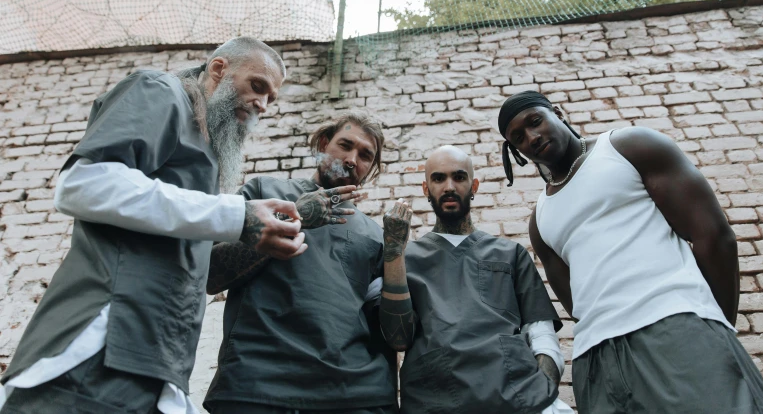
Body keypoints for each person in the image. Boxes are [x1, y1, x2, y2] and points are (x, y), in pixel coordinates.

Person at [0, 37, 308, 414]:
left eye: (271, 99)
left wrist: (252, 236)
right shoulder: (160, 92)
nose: (262, 103)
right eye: (257, 86)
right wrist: (236, 215)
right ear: (219, 69)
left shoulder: (207, 152)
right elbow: (83, 185)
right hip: (97, 351)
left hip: (156, 368)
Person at [498, 90, 763, 414]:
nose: (532, 137)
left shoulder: (627, 147)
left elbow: (713, 237)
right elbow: (576, 303)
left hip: (675, 326)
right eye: (518, 137)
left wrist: (715, 329)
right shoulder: (540, 220)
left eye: (535, 122)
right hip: (596, 360)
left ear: (557, 112)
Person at [203, 111, 402, 414]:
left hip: (353, 396)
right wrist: (292, 217)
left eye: (365, 155)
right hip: (257, 388)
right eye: (345, 145)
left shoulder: (375, 237)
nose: (352, 159)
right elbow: (209, 273)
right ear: (323, 143)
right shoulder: (265, 194)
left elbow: (389, 330)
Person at [379, 145, 572, 414]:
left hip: (518, 398)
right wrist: (393, 252)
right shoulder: (404, 259)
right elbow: (396, 338)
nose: (449, 186)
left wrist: (542, 395)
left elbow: (541, 335)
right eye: (438, 178)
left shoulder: (510, 253)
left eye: (459, 177)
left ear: (474, 186)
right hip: (434, 400)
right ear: (425, 189)